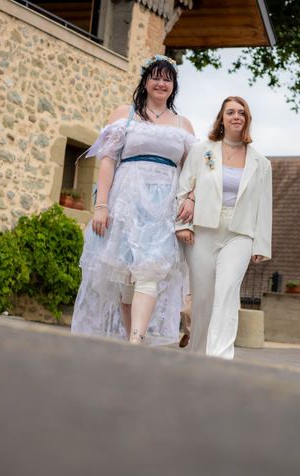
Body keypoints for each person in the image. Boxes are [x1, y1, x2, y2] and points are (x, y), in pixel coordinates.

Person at [71, 55, 195, 345]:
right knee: (128, 277)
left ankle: (136, 341)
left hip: (164, 207)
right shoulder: (123, 114)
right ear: (145, 81)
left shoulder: (183, 124)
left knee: (149, 271)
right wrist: (101, 206)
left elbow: (193, 171)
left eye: (167, 78)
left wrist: (190, 198)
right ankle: (132, 339)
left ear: (173, 85)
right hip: (126, 202)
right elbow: (107, 161)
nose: (161, 83)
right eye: (156, 77)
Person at [176, 96, 272, 359]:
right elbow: (184, 189)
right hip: (203, 230)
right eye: (230, 112)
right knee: (204, 297)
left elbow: (264, 206)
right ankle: (197, 354)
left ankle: (220, 358)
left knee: (227, 293)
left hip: (240, 233)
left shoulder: (261, 163)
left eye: (241, 112)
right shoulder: (202, 150)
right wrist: (183, 225)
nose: (236, 116)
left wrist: (261, 244)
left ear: (247, 119)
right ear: (222, 118)